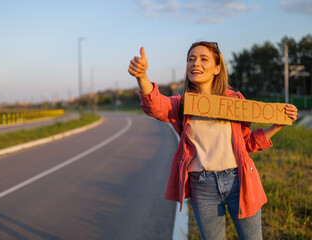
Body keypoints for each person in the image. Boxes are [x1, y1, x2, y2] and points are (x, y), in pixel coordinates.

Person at [128, 42, 298, 240]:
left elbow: (247, 143)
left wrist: (277, 125)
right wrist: (142, 77)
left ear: (217, 68)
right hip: (203, 185)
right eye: (191, 59)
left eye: (203, 59)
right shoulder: (182, 103)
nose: (195, 63)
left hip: (239, 181)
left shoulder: (235, 101)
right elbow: (155, 105)